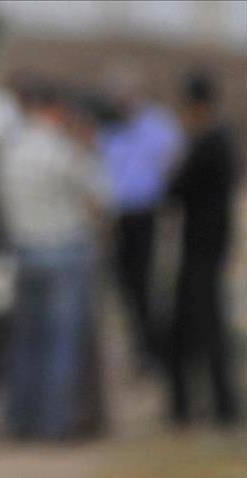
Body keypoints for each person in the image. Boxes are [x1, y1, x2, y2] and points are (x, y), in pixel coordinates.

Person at [0, 82, 106, 440]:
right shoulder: (64, 149)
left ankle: (20, 420)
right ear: (56, 110)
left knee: (25, 342)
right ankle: (54, 423)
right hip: (64, 248)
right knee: (61, 343)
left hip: (24, 250)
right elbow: (99, 200)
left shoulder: (12, 149)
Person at [166, 69, 240, 425]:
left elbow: (176, 189)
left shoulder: (208, 142)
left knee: (204, 328)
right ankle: (208, 405)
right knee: (200, 327)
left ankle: (217, 406)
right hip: (207, 246)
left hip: (202, 248)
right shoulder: (221, 140)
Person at [99, 66, 182, 370]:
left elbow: (173, 162)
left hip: (146, 213)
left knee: (147, 283)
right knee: (125, 286)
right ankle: (139, 346)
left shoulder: (159, 124)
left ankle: (154, 348)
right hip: (117, 216)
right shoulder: (109, 127)